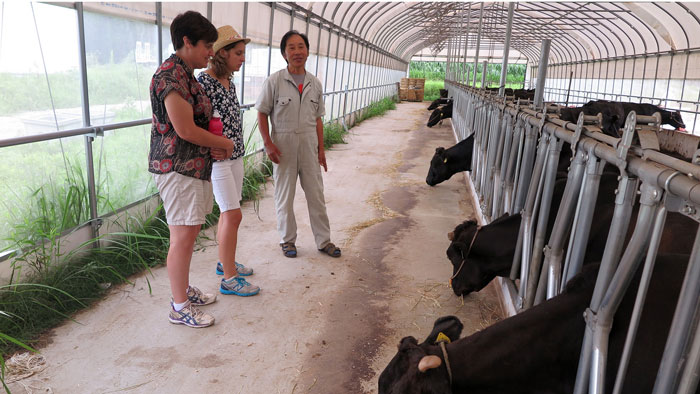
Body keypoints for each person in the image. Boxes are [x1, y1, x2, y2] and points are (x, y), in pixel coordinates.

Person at [149, 11, 233, 328]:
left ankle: (182, 291)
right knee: (183, 238)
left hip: (193, 167)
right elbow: (184, 130)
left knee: (187, 233)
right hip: (177, 168)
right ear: (187, 41)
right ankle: (179, 306)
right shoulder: (169, 77)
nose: (211, 52)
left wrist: (213, 141)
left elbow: (197, 124)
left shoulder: (187, 74)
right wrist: (221, 143)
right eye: (206, 45)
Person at [255, 30, 341, 259]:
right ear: (284, 53)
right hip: (283, 147)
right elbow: (262, 113)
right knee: (284, 196)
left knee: (316, 195)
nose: (297, 52)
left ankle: (324, 241)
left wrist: (322, 150)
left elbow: (318, 119)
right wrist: (268, 143)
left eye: (301, 46)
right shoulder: (274, 81)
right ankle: (287, 240)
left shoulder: (315, 83)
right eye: (291, 48)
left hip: (309, 146)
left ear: (308, 51)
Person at [197, 25, 259, 297]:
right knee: (233, 213)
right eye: (238, 53)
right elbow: (198, 122)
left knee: (228, 213)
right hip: (219, 159)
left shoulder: (229, 82)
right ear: (222, 53)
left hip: (235, 155)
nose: (242, 58)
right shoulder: (204, 82)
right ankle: (229, 280)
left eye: (243, 53)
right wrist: (213, 146)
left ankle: (226, 263)